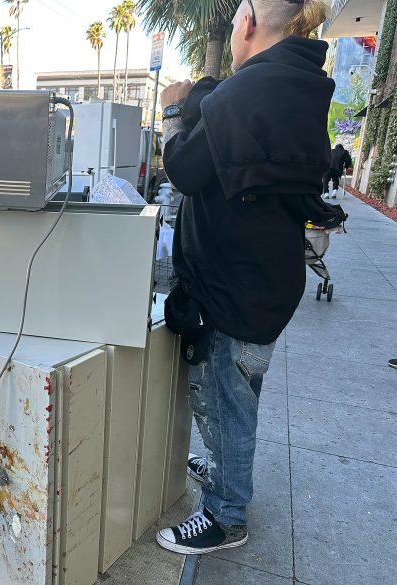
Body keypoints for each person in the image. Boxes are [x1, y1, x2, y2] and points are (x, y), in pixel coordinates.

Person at [155, 0, 345, 555]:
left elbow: (185, 170)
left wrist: (175, 110)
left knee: (228, 395)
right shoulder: (300, 85)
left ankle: (226, 512)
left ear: (247, 23)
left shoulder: (247, 91)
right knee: (238, 389)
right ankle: (225, 467)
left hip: (235, 285)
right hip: (267, 277)